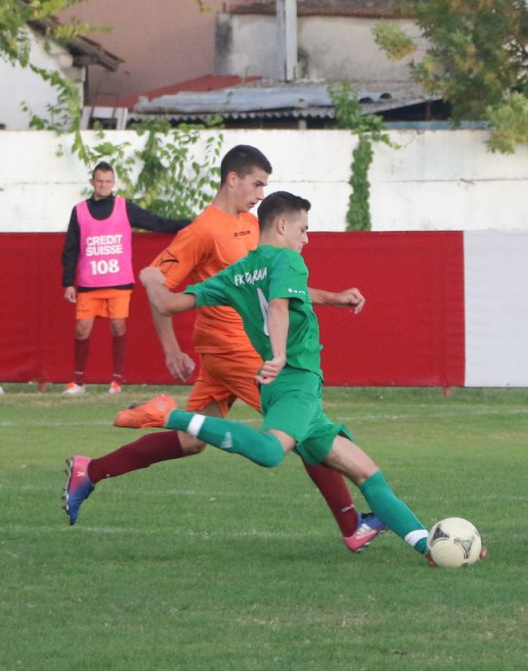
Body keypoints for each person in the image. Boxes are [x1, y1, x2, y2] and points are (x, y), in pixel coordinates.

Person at [63, 145, 386, 552]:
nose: (261, 194)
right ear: (232, 179)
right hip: (234, 352)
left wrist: (333, 297)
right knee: (302, 429)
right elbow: (157, 284)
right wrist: (171, 349)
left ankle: (90, 470)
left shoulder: (251, 224)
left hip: (236, 351)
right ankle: (352, 526)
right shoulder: (201, 231)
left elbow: (278, 288)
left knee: (192, 440)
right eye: (257, 184)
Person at [116, 191, 459, 565]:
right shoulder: (288, 260)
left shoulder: (238, 272)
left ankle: (429, 548)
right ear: (282, 225)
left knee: (368, 475)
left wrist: (151, 279)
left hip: (292, 392)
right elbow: (279, 304)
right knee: (268, 452)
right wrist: (279, 354)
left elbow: (167, 304)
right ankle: (168, 415)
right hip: (294, 381)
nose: (306, 238)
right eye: (303, 229)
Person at [60, 161, 188, 395]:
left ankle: (116, 381)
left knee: (118, 327)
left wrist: (188, 225)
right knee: (82, 330)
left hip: (118, 281)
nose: (103, 185)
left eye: (108, 181)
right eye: (100, 181)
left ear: (113, 183)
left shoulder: (124, 207)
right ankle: (78, 381)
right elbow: (71, 248)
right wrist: (68, 282)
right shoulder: (79, 211)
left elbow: (156, 222)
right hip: (89, 282)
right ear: (92, 182)